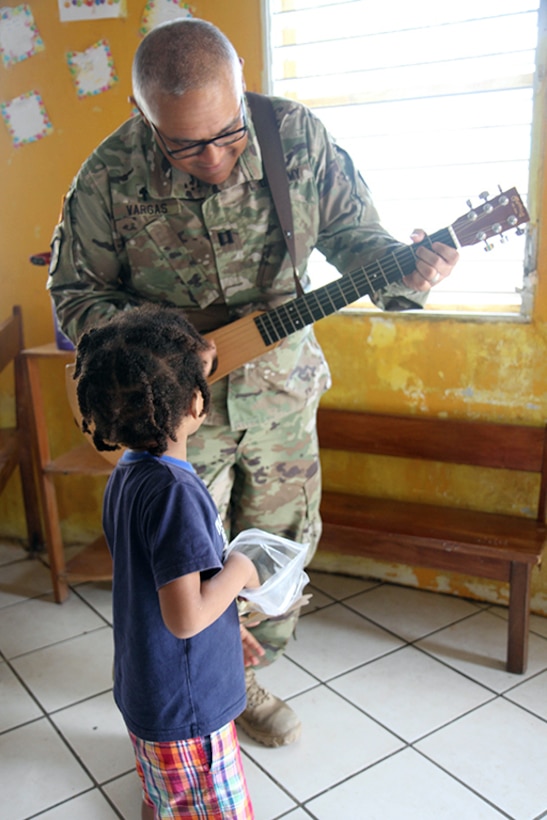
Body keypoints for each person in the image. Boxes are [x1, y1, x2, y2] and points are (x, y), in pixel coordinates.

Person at [47, 18, 460, 748]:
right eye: (184, 145)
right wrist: (163, 346)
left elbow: (358, 238)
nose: (212, 158)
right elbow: (74, 295)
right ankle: (211, 687)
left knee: (277, 543)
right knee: (184, 564)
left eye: (227, 133)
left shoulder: (295, 138)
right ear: (146, 118)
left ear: (240, 87)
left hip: (280, 396)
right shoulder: (107, 175)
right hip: (171, 412)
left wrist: (410, 268)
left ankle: (243, 670)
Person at [74, 303, 261, 819]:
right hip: (189, 707)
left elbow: (167, 587)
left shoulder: (129, 472)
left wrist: (227, 625)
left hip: (148, 686)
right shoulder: (176, 492)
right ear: (195, 402)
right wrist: (242, 567)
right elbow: (185, 617)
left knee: (166, 802)